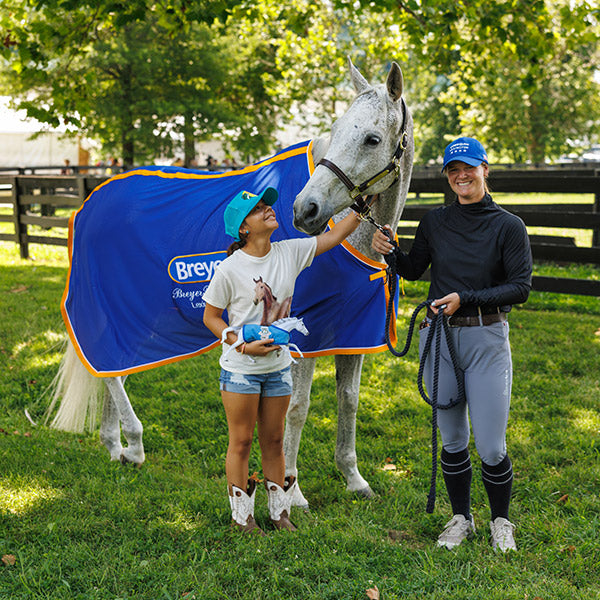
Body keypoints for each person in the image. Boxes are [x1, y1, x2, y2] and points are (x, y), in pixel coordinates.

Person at [371, 137, 532, 552]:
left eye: (469, 168)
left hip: (486, 338)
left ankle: (502, 521)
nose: (461, 176)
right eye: (453, 170)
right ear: (447, 176)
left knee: (492, 445)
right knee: (453, 439)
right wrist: (390, 252)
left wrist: (468, 297)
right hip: (438, 337)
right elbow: (412, 270)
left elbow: (520, 288)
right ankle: (461, 517)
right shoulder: (435, 221)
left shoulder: (508, 226)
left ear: (484, 170)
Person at [203, 187, 361, 535]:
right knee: (241, 441)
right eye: (258, 210)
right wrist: (239, 344)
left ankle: (279, 513)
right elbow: (211, 317)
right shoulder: (229, 269)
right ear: (243, 228)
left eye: (267, 206)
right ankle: (242, 517)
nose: (268, 211)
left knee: (274, 441)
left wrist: (362, 208)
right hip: (241, 369)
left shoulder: (290, 252)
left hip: (278, 369)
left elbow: (334, 235)